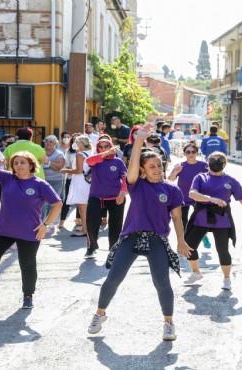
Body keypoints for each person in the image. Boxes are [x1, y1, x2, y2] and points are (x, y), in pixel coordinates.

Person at [87, 122, 193, 341]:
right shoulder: (136, 184)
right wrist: (138, 140)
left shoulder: (172, 190)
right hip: (132, 236)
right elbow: (133, 162)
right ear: (143, 171)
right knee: (113, 278)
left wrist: (181, 241)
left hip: (157, 239)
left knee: (162, 281)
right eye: (152, 167)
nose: (157, 169)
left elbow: (177, 218)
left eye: (159, 166)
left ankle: (169, 323)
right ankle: (99, 314)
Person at [0, 143, 62, 309]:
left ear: (31, 165)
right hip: (4, 229)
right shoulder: (7, 178)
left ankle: (28, 295)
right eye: (16, 163)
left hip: (30, 231)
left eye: (22, 162)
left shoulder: (40, 184)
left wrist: (45, 225)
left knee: (27, 265)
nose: (19, 165)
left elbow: (57, 203)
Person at [183, 152, 242, 290]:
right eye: (213, 159)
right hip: (201, 215)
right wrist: (211, 199)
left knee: (222, 249)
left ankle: (227, 278)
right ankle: (195, 273)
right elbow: (192, 194)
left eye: (220, 160)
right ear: (207, 162)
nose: (216, 162)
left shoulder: (231, 181)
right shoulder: (200, 177)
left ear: (224, 163)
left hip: (221, 218)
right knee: (189, 246)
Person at [84, 139, 128, 259]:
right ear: (98, 149)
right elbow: (89, 161)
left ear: (111, 146)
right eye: (101, 147)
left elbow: (125, 178)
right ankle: (91, 247)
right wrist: (105, 153)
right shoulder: (95, 160)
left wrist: (122, 193)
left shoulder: (118, 162)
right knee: (91, 223)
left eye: (107, 146)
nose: (104, 149)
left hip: (116, 198)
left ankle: (113, 249)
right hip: (96, 197)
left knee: (116, 225)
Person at [167, 142, 213, 249]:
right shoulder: (180, 166)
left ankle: (204, 236)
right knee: (183, 220)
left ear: (197, 153)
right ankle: (185, 241)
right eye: (188, 152)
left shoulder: (204, 166)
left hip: (198, 196)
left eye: (193, 151)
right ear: (184, 154)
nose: (191, 153)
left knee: (200, 218)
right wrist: (175, 172)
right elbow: (170, 179)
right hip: (183, 197)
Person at [61, 136, 93, 237]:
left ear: (81, 143)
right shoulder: (89, 153)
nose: (75, 143)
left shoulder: (80, 154)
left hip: (80, 181)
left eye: (76, 142)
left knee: (82, 207)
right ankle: (86, 227)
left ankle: (85, 230)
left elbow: (78, 170)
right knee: (84, 206)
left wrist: (66, 170)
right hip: (85, 181)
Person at [42, 135, 66, 224]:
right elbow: (36, 164)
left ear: (55, 143)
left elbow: (59, 166)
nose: (48, 143)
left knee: (52, 202)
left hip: (56, 181)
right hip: (42, 180)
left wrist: (46, 163)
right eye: (47, 141)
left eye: (51, 141)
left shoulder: (59, 153)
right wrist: (52, 164)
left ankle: (49, 223)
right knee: (42, 203)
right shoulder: (41, 152)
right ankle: (41, 221)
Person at [58, 132, 79, 229]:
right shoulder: (69, 151)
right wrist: (69, 167)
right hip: (70, 178)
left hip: (81, 179)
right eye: (74, 139)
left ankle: (79, 219)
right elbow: (65, 164)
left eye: (77, 139)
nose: (75, 141)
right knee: (67, 199)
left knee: (81, 199)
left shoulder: (86, 151)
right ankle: (62, 221)